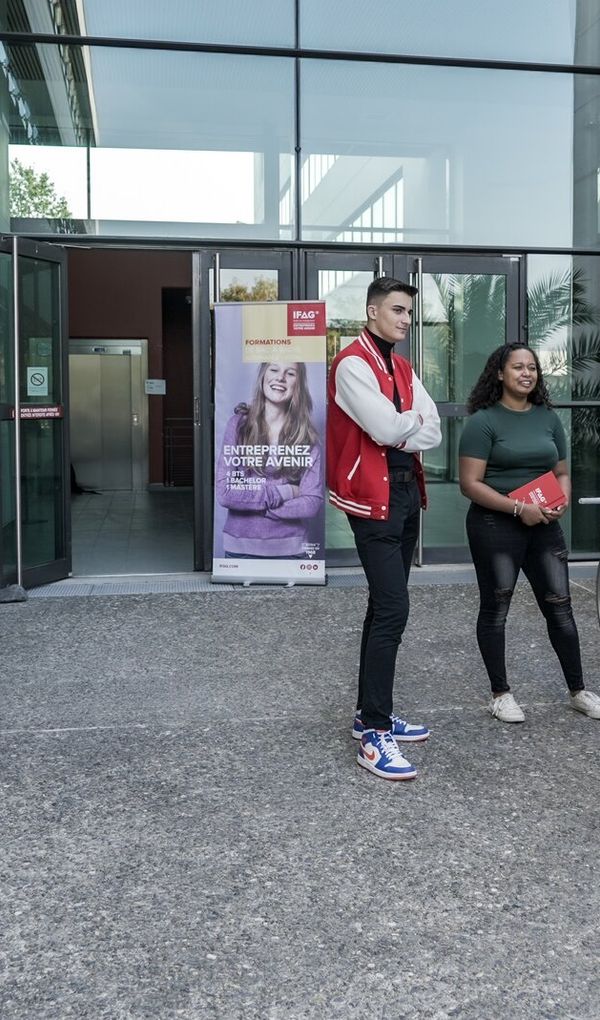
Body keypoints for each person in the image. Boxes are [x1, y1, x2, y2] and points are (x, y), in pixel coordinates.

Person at [327, 277, 442, 780]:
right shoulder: (352, 363)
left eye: (410, 313)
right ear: (372, 312)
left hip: (404, 492)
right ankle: (374, 734)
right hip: (371, 497)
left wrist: (407, 419)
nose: (405, 320)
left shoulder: (401, 365)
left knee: (382, 606)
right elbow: (386, 429)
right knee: (394, 608)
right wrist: (406, 420)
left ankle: (367, 713)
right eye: (397, 310)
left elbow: (432, 430)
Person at [458, 341, 600, 723]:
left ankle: (578, 690)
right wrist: (520, 508)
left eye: (532, 367)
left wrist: (562, 501)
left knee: (560, 606)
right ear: (499, 374)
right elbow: (470, 484)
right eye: (518, 367)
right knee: (497, 607)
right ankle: (500, 694)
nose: (526, 373)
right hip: (495, 524)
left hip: (544, 524)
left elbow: (562, 473)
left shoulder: (548, 418)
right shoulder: (483, 421)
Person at [216, 361, 323, 558]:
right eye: (274, 369)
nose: (280, 378)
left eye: (290, 373)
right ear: (263, 376)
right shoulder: (238, 426)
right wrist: (287, 491)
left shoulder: (308, 437)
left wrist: (256, 507)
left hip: (292, 550)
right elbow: (225, 493)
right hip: (239, 549)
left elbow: (312, 503)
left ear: (298, 383)